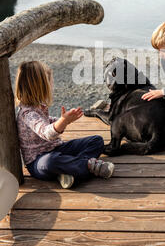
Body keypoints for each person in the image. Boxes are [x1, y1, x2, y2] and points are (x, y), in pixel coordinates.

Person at [15, 60, 114, 188]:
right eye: (50, 84)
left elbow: (46, 121)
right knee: (51, 162)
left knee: (96, 141)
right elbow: (47, 133)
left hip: (56, 149)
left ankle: (69, 170)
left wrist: (63, 119)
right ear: (40, 87)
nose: (52, 87)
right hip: (38, 161)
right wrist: (63, 121)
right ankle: (87, 166)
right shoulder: (27, 114)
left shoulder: (38, 106)